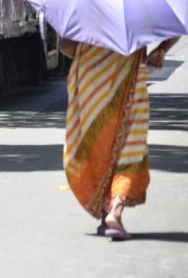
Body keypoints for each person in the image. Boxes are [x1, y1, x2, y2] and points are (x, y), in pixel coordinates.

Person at [59, 36, 180, 240]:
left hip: (91, 80)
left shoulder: (87, 4)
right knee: (129, 146)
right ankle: (114, 209)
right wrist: (161, 49)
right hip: (129, 78)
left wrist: (91, 51)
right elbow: (176, 25)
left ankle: (106, 214)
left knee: (98, 146)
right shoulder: (141, 3)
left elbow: (67, 47)